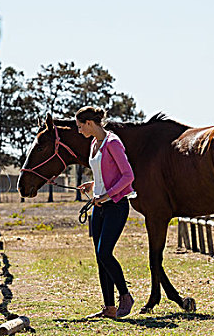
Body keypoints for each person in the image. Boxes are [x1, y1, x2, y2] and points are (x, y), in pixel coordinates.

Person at [75, 106, 136, 319]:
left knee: (104, 252)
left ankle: (125, 296)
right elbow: (105, 172)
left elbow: (127, 176)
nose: (79, 130)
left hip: (116, 205)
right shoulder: (94, 143)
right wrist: (93, 185)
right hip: (99, 206)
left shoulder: (113, 142)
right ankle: (109, 308)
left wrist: (107, 194)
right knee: (99, 257)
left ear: (90, 123)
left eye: (80, 126)